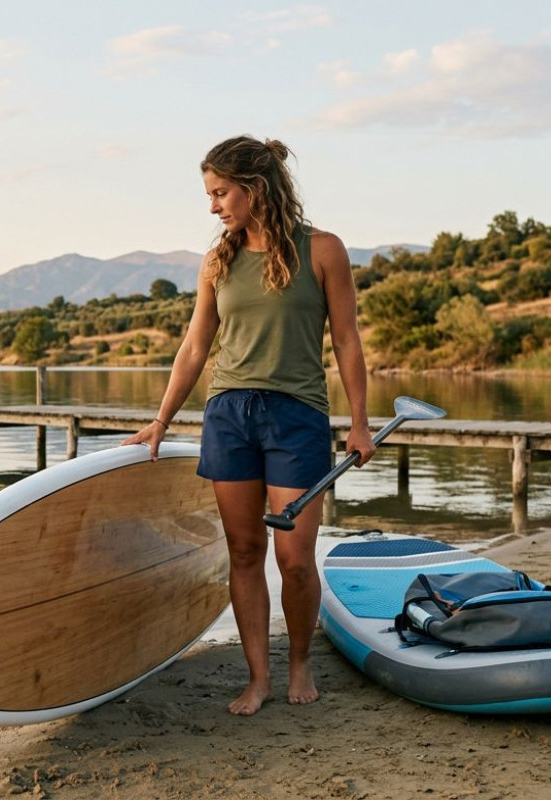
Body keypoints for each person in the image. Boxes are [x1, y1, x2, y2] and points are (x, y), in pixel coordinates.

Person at [123, 135, 375, 716]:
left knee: (294, 559)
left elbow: (346, 341)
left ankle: (303, 661)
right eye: (210, 195)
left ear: (254, 188)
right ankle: (258, 677)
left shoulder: (324, 250)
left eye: (220, 193)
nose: (213, 207)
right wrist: (161, 419)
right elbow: (195, 346)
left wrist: (359, 423)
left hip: (297, 417)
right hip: (229, 415)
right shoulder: (218, 261)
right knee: (243, 550)